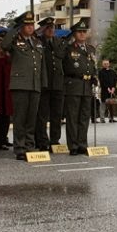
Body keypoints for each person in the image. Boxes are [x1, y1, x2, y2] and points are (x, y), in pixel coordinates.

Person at [2, 11, 43, 160]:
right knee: (20, 118)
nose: (30, 27)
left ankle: (29, 146)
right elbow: (4, 45)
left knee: (31, 118)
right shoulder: (14, 41)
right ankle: (19, 147)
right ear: (21, 27)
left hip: (34, 85)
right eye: (26, 25)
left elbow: (40, 64)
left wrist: (41, 84)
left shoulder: (37, 42)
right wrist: (14, 29)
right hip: (20, 85)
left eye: (32, 24)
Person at [59, 19, 96, 155]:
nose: (82, 34)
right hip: (73, 85)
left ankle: (82, 143)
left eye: (84, 32)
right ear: (74, 34)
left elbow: (93, 66)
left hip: (87, 86)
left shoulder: (91, 49)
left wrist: (95, 77)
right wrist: (67, 38)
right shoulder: (68, 49)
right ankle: (73, 145)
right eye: (79, 32)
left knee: (84, 117)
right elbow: (58, 53)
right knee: (73, 117)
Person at [35, 17, 65, 150]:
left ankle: (55, 140)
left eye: (52, 28)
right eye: (48, 28)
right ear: (42, 29)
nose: (51, 30)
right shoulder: (37, 42)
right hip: (44, 83)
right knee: (42, 115)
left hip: (57, 83)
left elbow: (61, 57)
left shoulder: (58, 42)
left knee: (56, 114)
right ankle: (42, 140)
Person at [99, 58, 117, 123]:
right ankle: (102, 119)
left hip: (112, 90)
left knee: (111, 105)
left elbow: (115, 80)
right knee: (103, 104)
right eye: (104, 64)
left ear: (109, 64)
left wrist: (113, 88)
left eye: (107, 63)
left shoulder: (112, 72)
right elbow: (102, 81)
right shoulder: (101, 72)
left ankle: (111, 118)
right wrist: (107, 88)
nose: (106, 65)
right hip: (104, 90)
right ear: (102, 64)